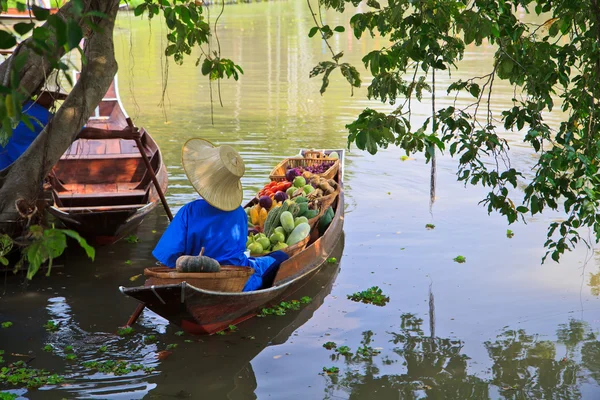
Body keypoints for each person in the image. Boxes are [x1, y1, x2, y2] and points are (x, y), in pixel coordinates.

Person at [152, 138, 288, 292]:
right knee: (281, 257)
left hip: (196, 281)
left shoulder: (188, 211)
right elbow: (238, 250)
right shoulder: (239, 214)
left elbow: (168, 256)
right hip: (238, 281)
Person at [0, 85, 68, 170]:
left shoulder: (17, 108)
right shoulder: (42, 115)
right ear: (40, 94)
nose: (51, 102)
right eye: (50, 97)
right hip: (19, 168)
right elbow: (71, 129)